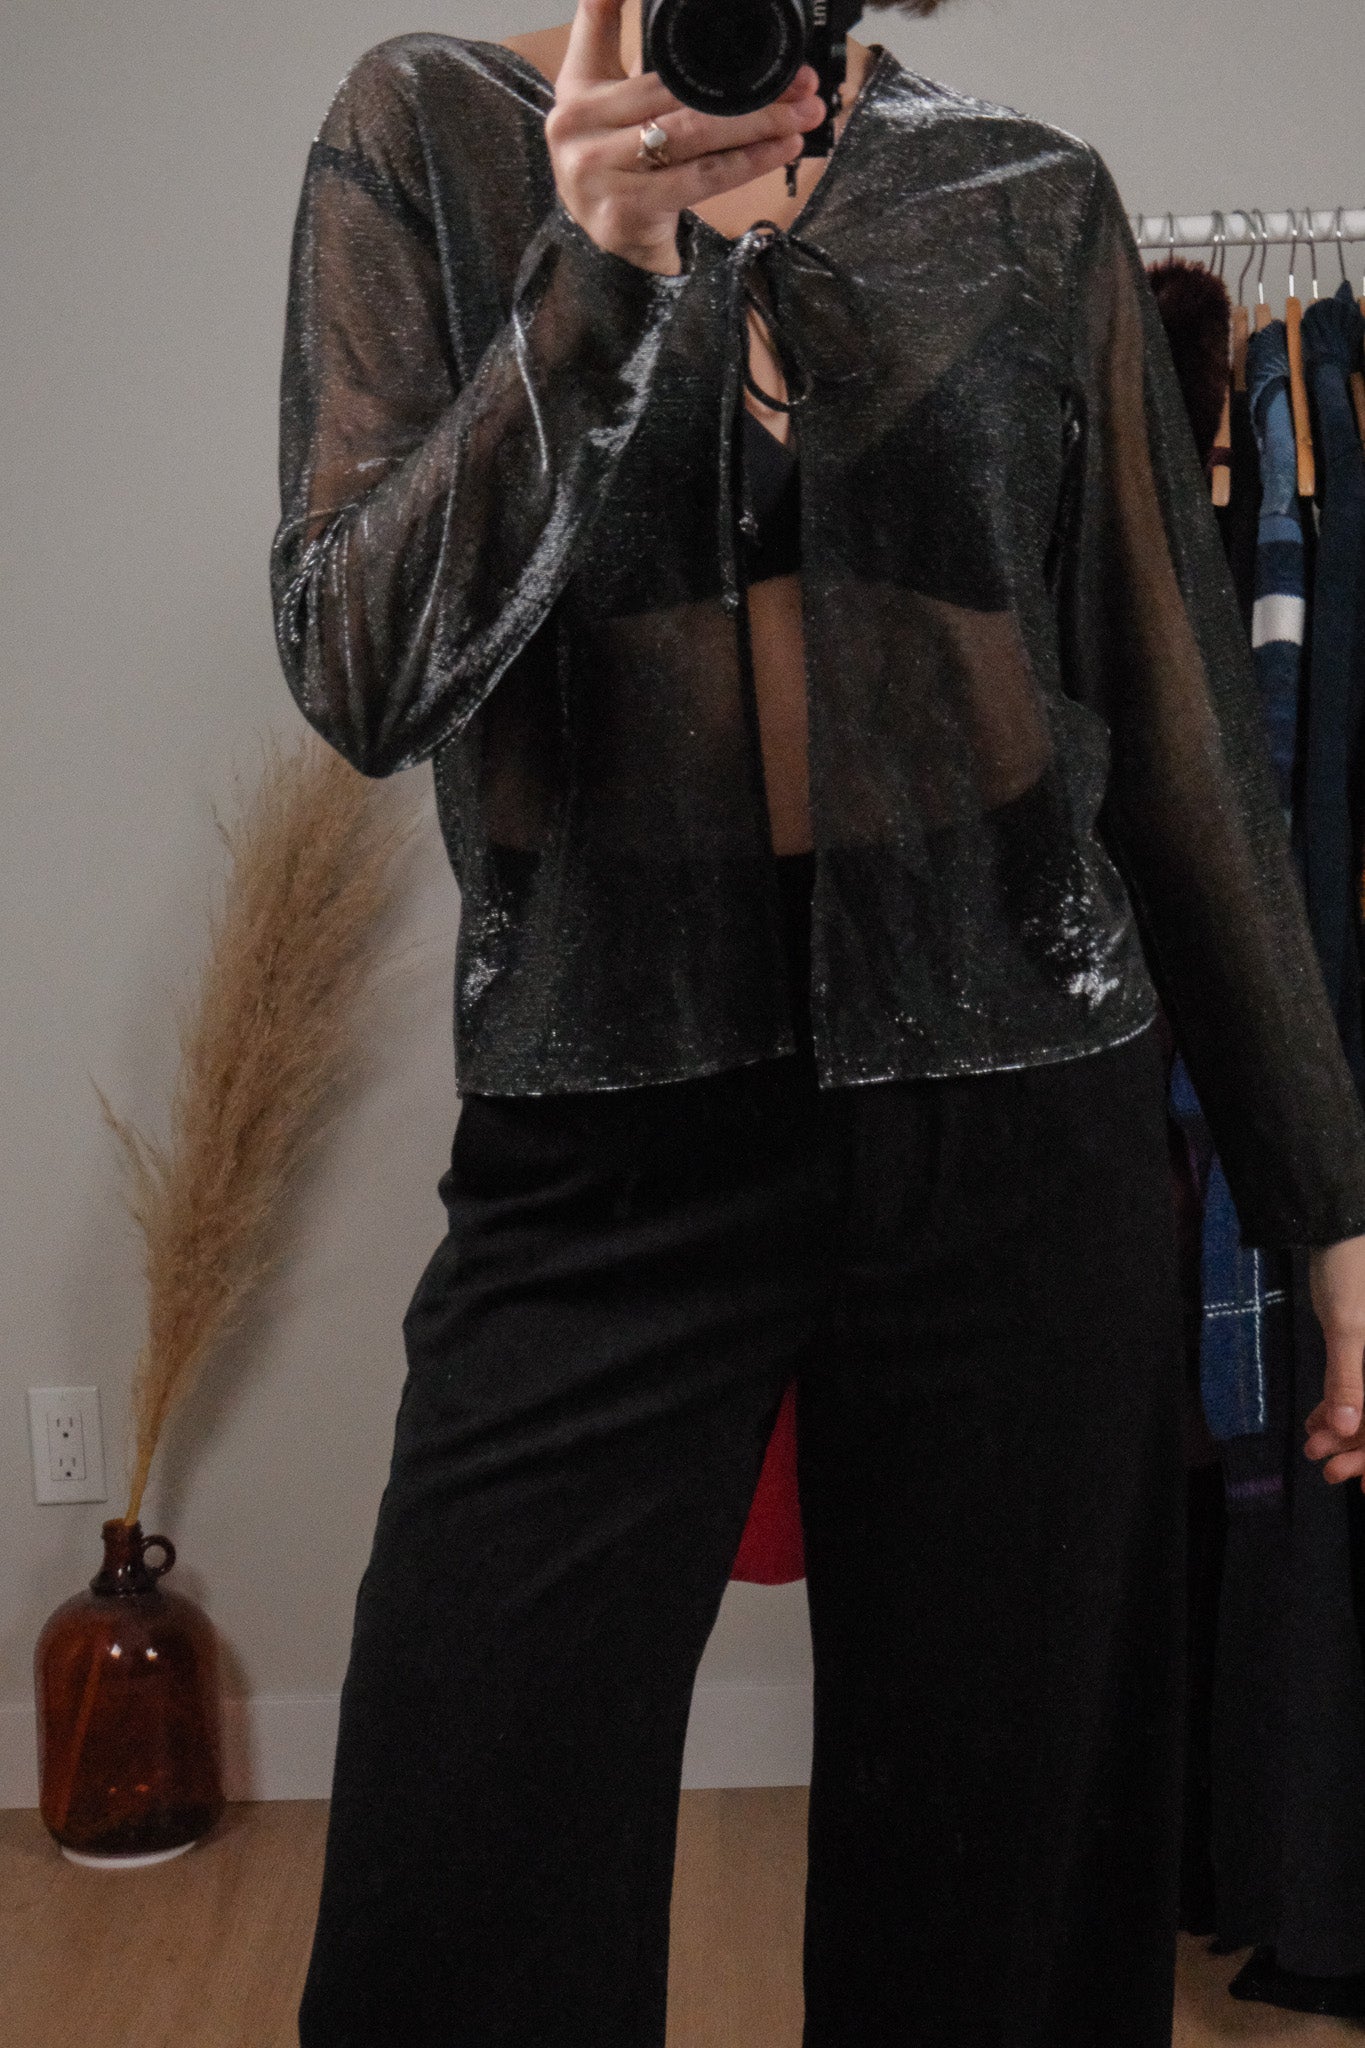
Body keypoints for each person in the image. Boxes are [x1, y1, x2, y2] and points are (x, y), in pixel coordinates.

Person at [270, 2, 1365, 2041]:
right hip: (607, 1134)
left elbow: (1178, 725)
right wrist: (591, 277)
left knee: (1004, 1916)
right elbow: (359, 665)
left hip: (1020, 1122)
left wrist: (1325, 1203)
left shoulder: (1022, 196)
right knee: (462, 1893)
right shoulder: (433, 133)